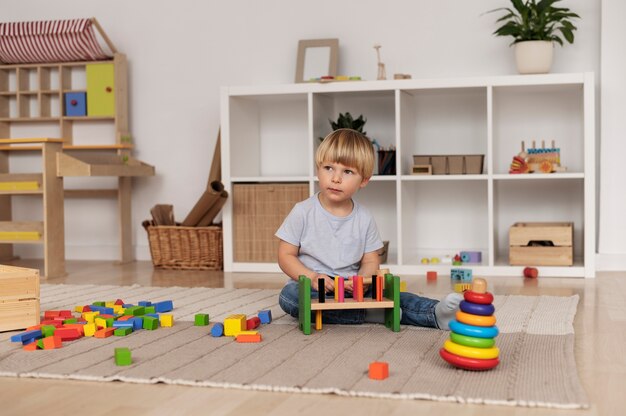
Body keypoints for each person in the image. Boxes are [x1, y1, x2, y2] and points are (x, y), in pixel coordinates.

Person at [276, 128, 462, 329]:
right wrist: (311, 277)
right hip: (311, 287)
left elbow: (371, 260)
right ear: (318, 169)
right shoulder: (302, 211)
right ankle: (372, 313)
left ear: (363, 180)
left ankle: (434, 313)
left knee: (396, 295)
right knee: (290, 298)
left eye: (347, 171)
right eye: (329, 168)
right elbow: (285, 255)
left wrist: (362, 280)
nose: (336, 178)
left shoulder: (364, 218)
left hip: (352, 287)